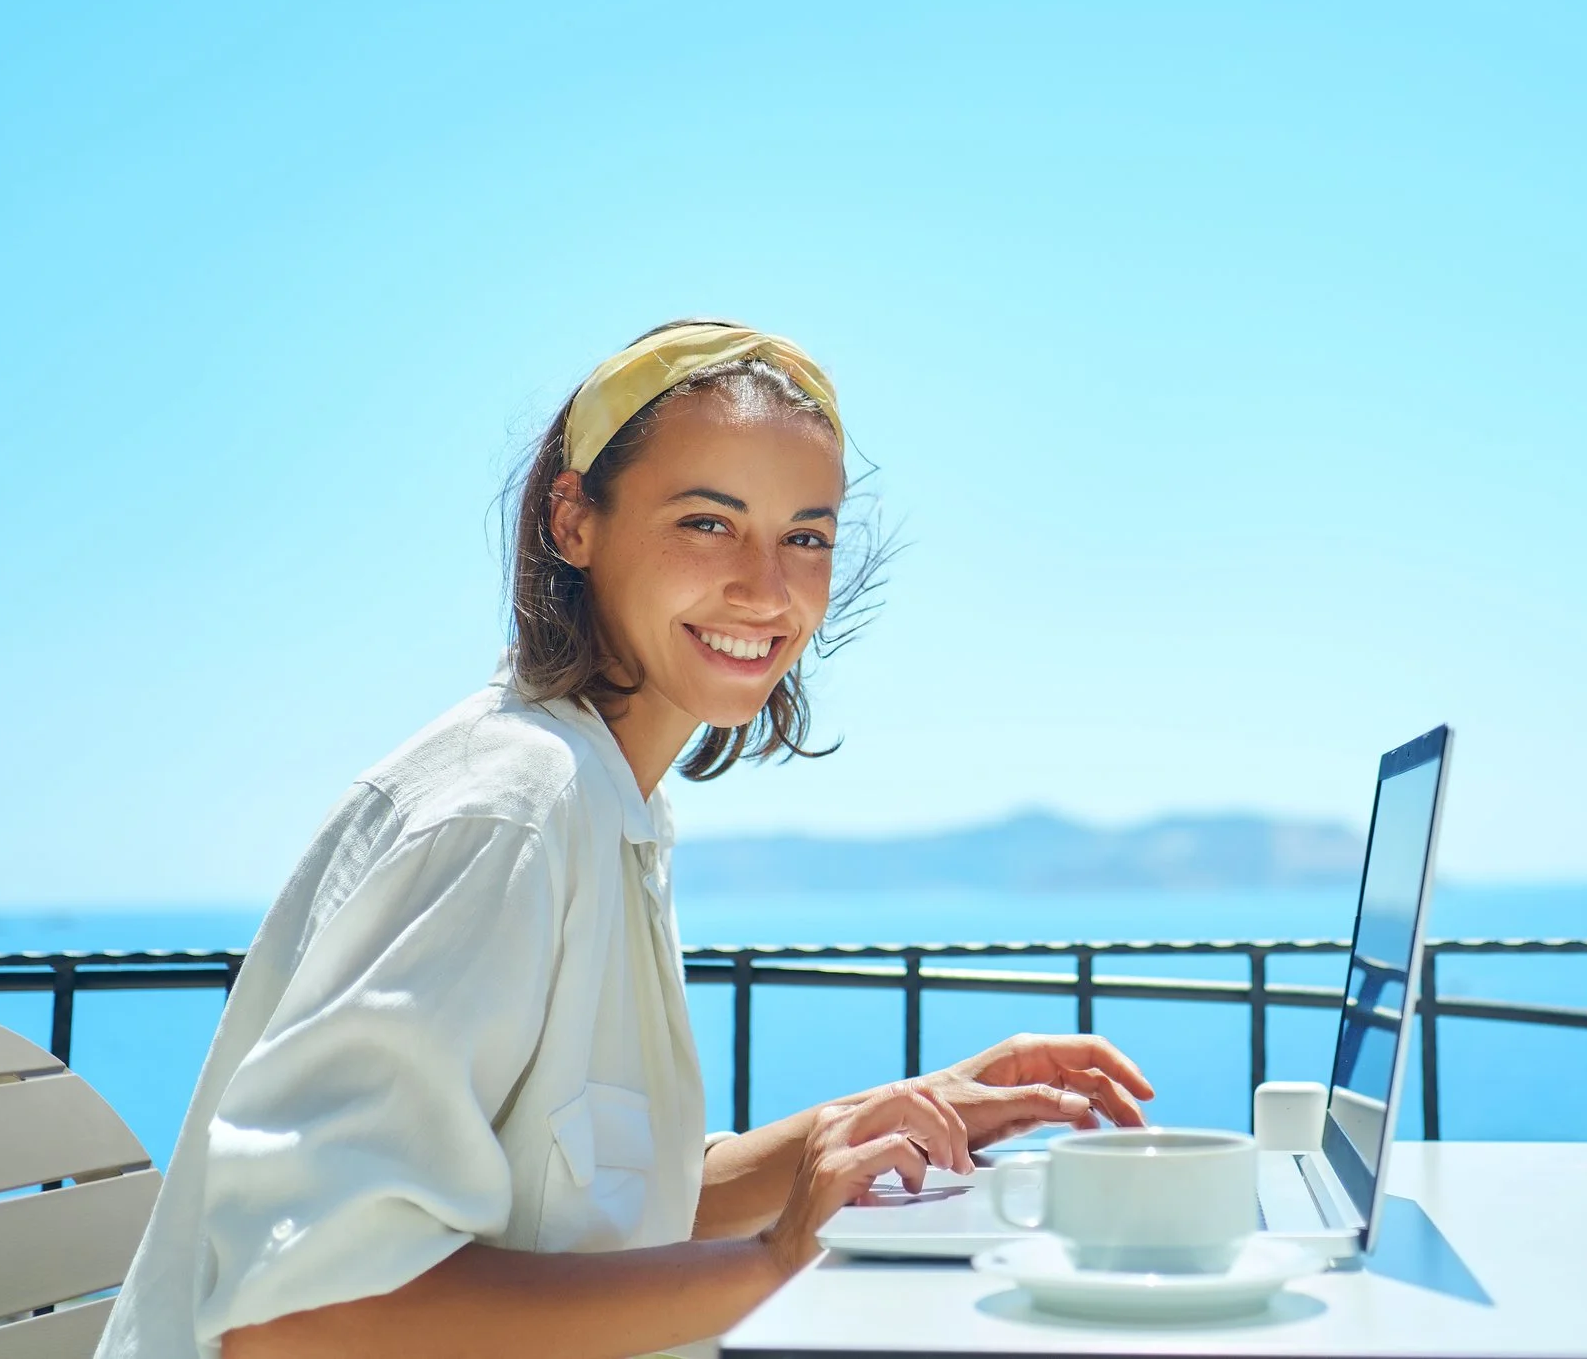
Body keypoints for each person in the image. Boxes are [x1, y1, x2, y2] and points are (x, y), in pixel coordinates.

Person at [99, 320, 1153, 1359]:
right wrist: (772, 1263)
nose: (767, 587)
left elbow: (611, 1208)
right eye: (707, 521)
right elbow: (302, 1321)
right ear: (574, 519)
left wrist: (887, 1119)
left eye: (806, 535)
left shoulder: (603, 798)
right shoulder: (509, 810)